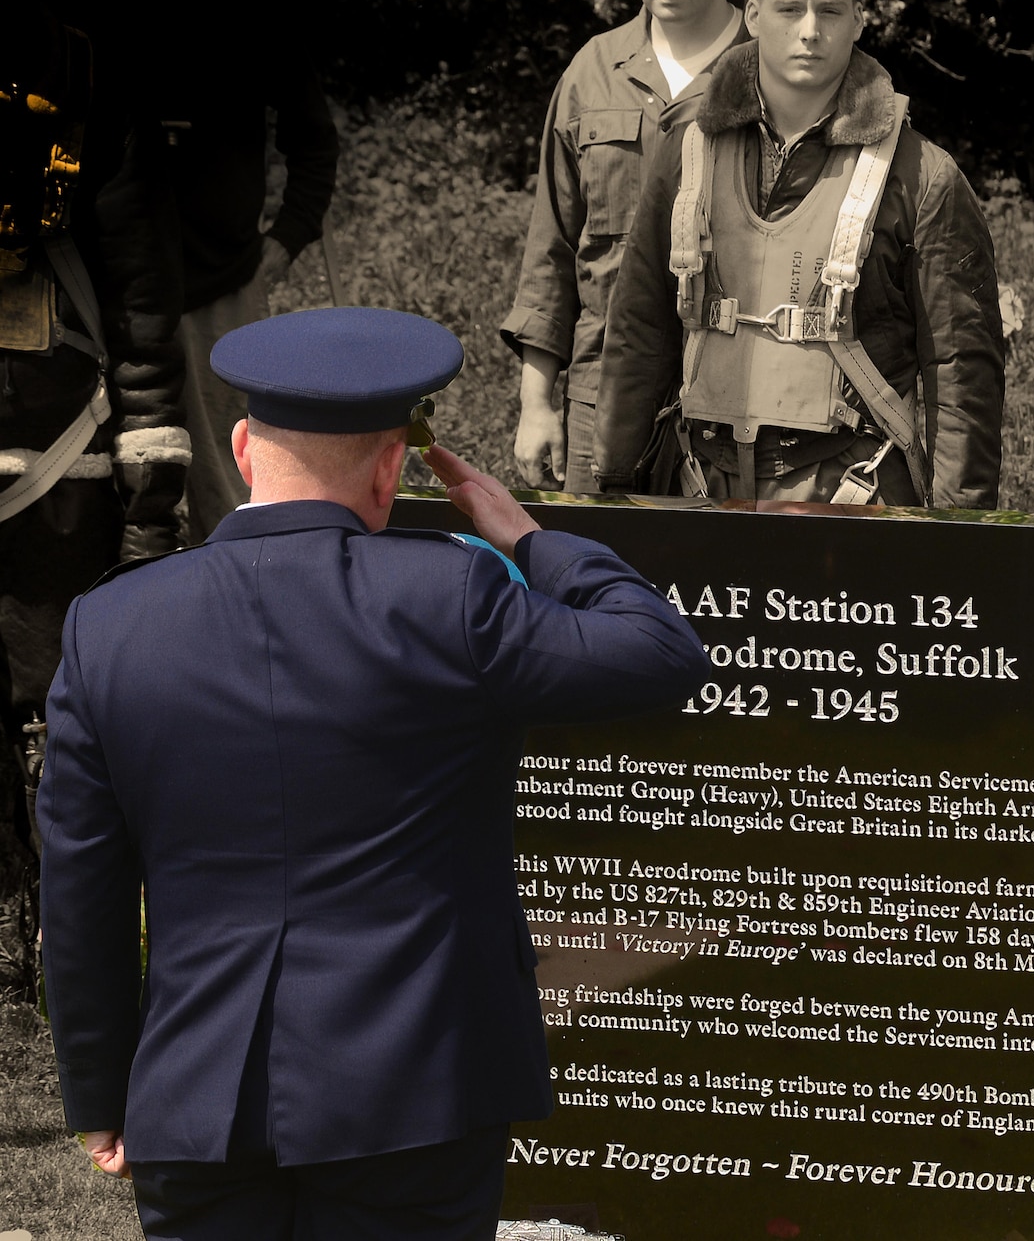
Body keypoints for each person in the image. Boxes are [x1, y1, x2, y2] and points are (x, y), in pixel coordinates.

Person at [36, 306, 708, 1239]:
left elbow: (81, 892)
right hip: (415, 1089)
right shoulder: (450, 595)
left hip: (197, 1094)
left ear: (239, 447)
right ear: (394, 466)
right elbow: (663, 651)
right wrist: (526, 538)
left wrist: (100, 1087)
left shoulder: (107, 626)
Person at [594, 0, 1007, 507]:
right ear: (755, 16)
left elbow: (960, 369)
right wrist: (616, 489)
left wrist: (958, 533)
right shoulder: (687, 154)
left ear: (859, 20)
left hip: (851, 495)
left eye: (831, 10)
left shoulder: (924, 177)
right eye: (789, 10)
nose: (809, 30)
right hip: (699, 486)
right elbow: (641, 328)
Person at [1, 1, 186, 997]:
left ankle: (75, 959)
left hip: (63, 477)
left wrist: (151, 506)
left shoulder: (83, 91)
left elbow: (142, 307)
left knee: (69, 729)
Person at [505, 0, 750, 493]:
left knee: (723, 582)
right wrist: (537, 404)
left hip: (739, 397)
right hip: (601, 393)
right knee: (594, 576)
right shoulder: (592, 73)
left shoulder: (772, 69)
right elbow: (552, 251)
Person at [158, 24, 340, 543]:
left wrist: (283, 242)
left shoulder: (249, 1)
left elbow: (314, 140)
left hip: (219, 290)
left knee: (230, 496)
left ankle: (232, 615)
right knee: (108, 488)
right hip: (101, 290)